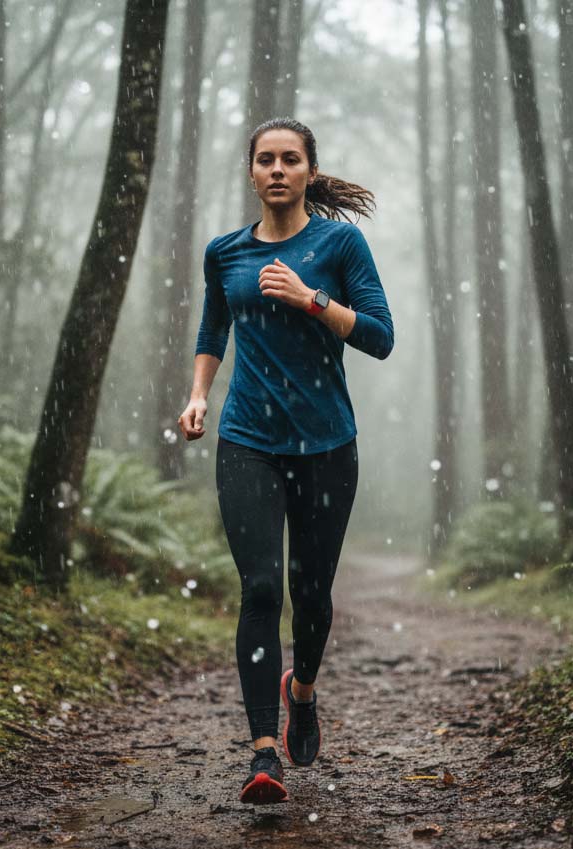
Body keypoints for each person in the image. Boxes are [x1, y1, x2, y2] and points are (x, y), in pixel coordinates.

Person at [178, 118, 394, 805]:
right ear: (251, 172)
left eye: (290, 159)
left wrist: (312, 300)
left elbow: (381, 337)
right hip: (248, 442)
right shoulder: (226, 252)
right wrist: (198, 397)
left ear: (307, 171)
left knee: (312, 595)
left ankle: (302, 689)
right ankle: (262, 752)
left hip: (327, 446)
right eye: (265, 159)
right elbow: (214, 328)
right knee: (261, 589)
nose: (277, 169)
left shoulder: (339, 243)